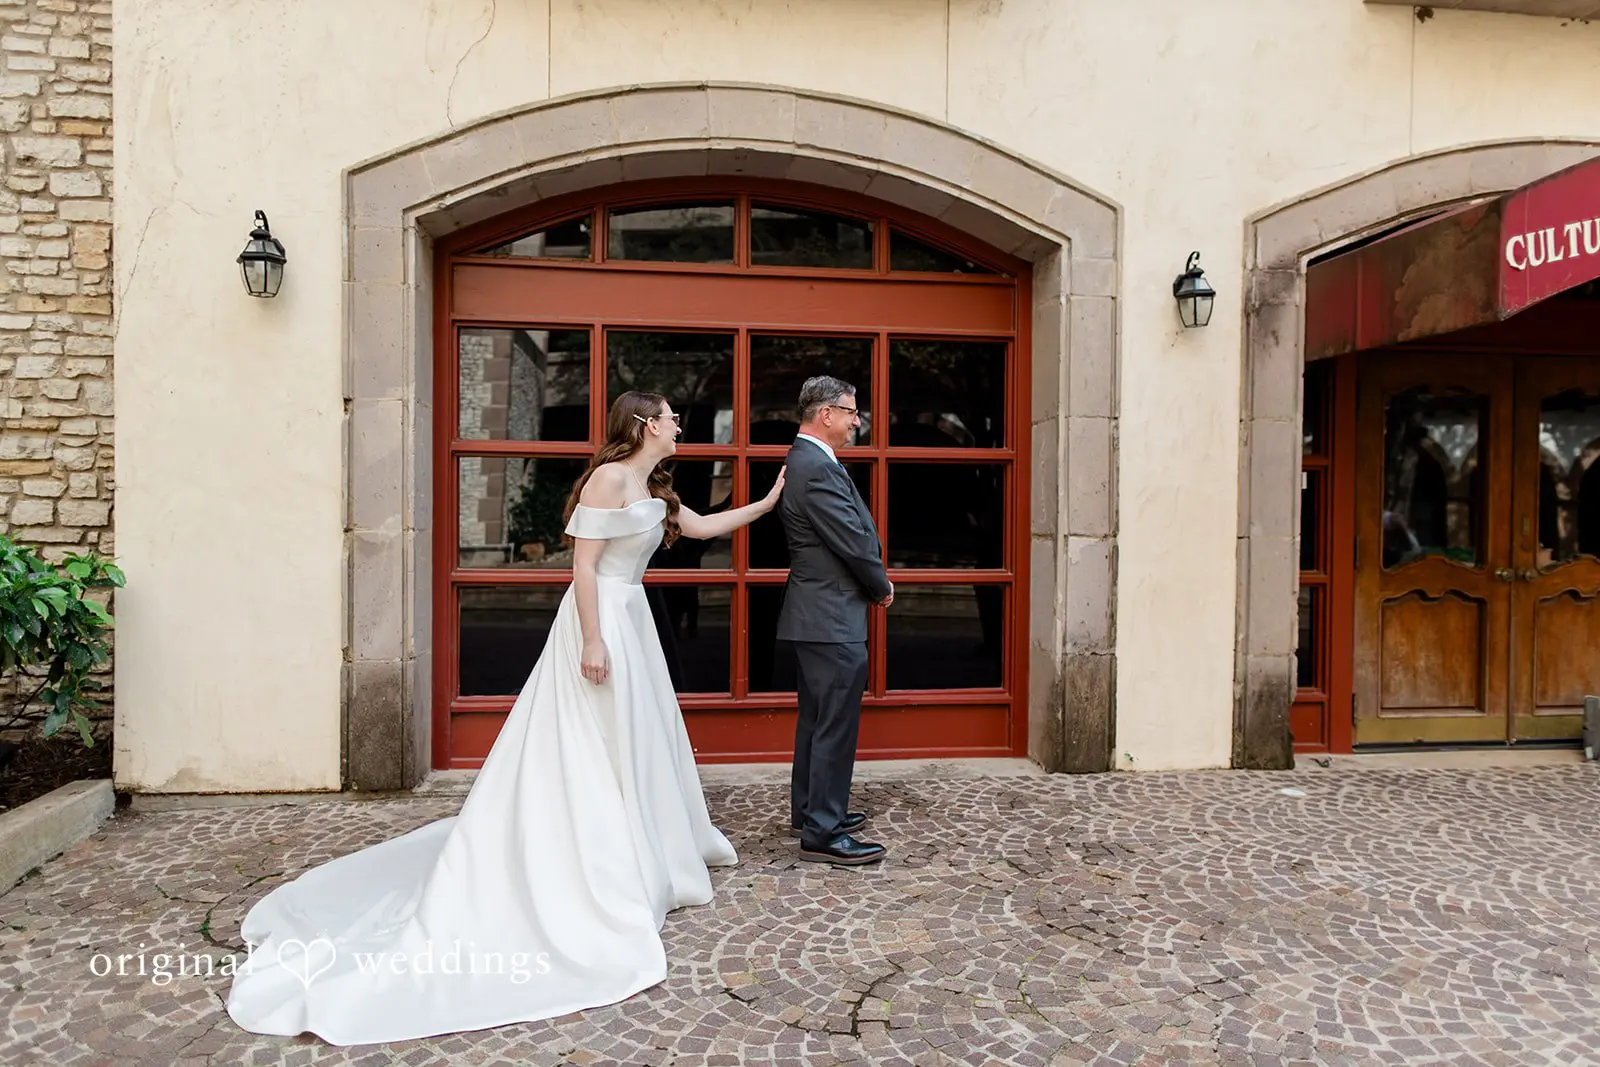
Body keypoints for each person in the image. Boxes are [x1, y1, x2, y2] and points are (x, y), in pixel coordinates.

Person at [225, 391, 784, 1045]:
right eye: (670, 416)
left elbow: (705, 528)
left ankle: (639, 845)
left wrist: (767, 503)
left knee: (634, 742)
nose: (679, 424)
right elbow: (582, 567)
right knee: (587, 741)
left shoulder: (655, 484)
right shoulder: (607, 478)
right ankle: (589, 852)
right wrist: (594, 639)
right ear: (643, 424)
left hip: (633, 621)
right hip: (600, 618)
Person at [777, 376, 893, 866]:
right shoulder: (816, 466)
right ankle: (822, 833)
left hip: (817, 614)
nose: (856, 420)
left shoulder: (809, 460)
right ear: (825, 414)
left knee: (817, 721)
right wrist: (879, 583)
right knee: (834, 725)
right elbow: (851, 538)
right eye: (851, 411)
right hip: (829, 616)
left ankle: (811, 812)